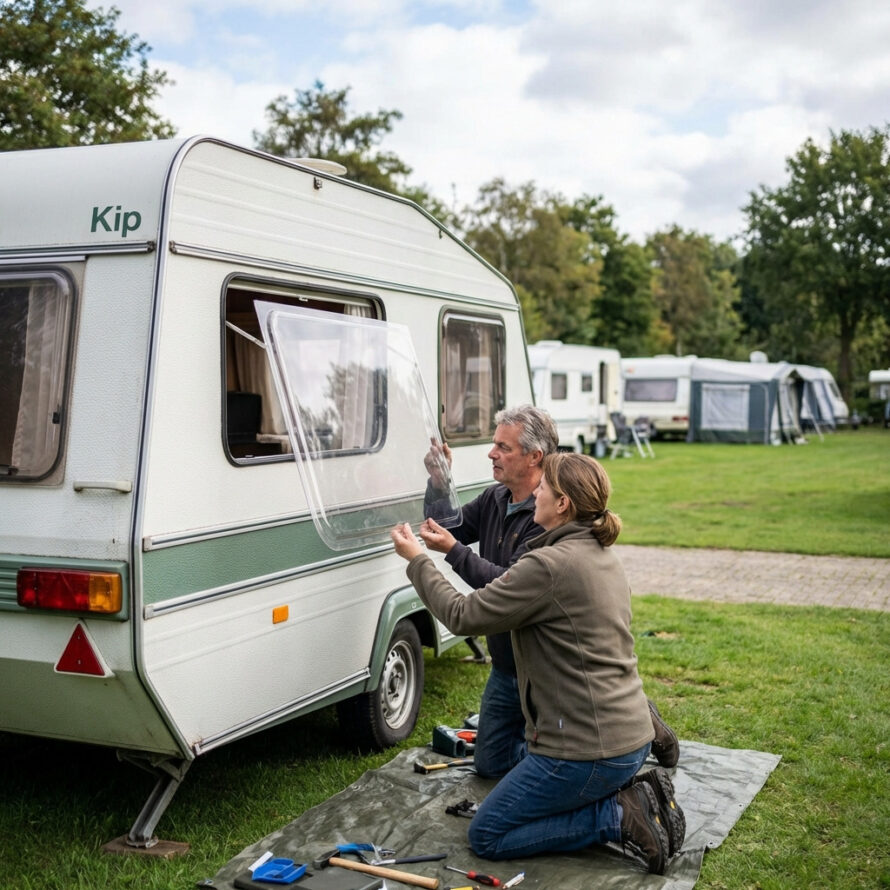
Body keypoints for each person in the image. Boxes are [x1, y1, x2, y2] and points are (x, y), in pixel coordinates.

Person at [393, 453, 685, 873]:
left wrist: (418, 561)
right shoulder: (597, 552)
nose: (536, 496)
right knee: (498, 766)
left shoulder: (550, 566)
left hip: (593, 750)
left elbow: (462, 615)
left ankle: (620, 815)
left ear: (563, 503)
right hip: (623, 737)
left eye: (543, 489)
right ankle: (621, 794)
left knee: (488, 833)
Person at [422, 405, 679, 778]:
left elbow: (506, 583)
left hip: (549, 671)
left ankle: (636, 724)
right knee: (490, 765)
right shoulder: (496, 498)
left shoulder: (553, 519)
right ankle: (629, 722)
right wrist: (438, 482)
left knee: (556, 759)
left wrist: (453, 552)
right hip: (508, 664)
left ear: (534, 457)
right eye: (494, 445)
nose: (491, 453)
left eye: (503, 447)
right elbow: (447, 526)